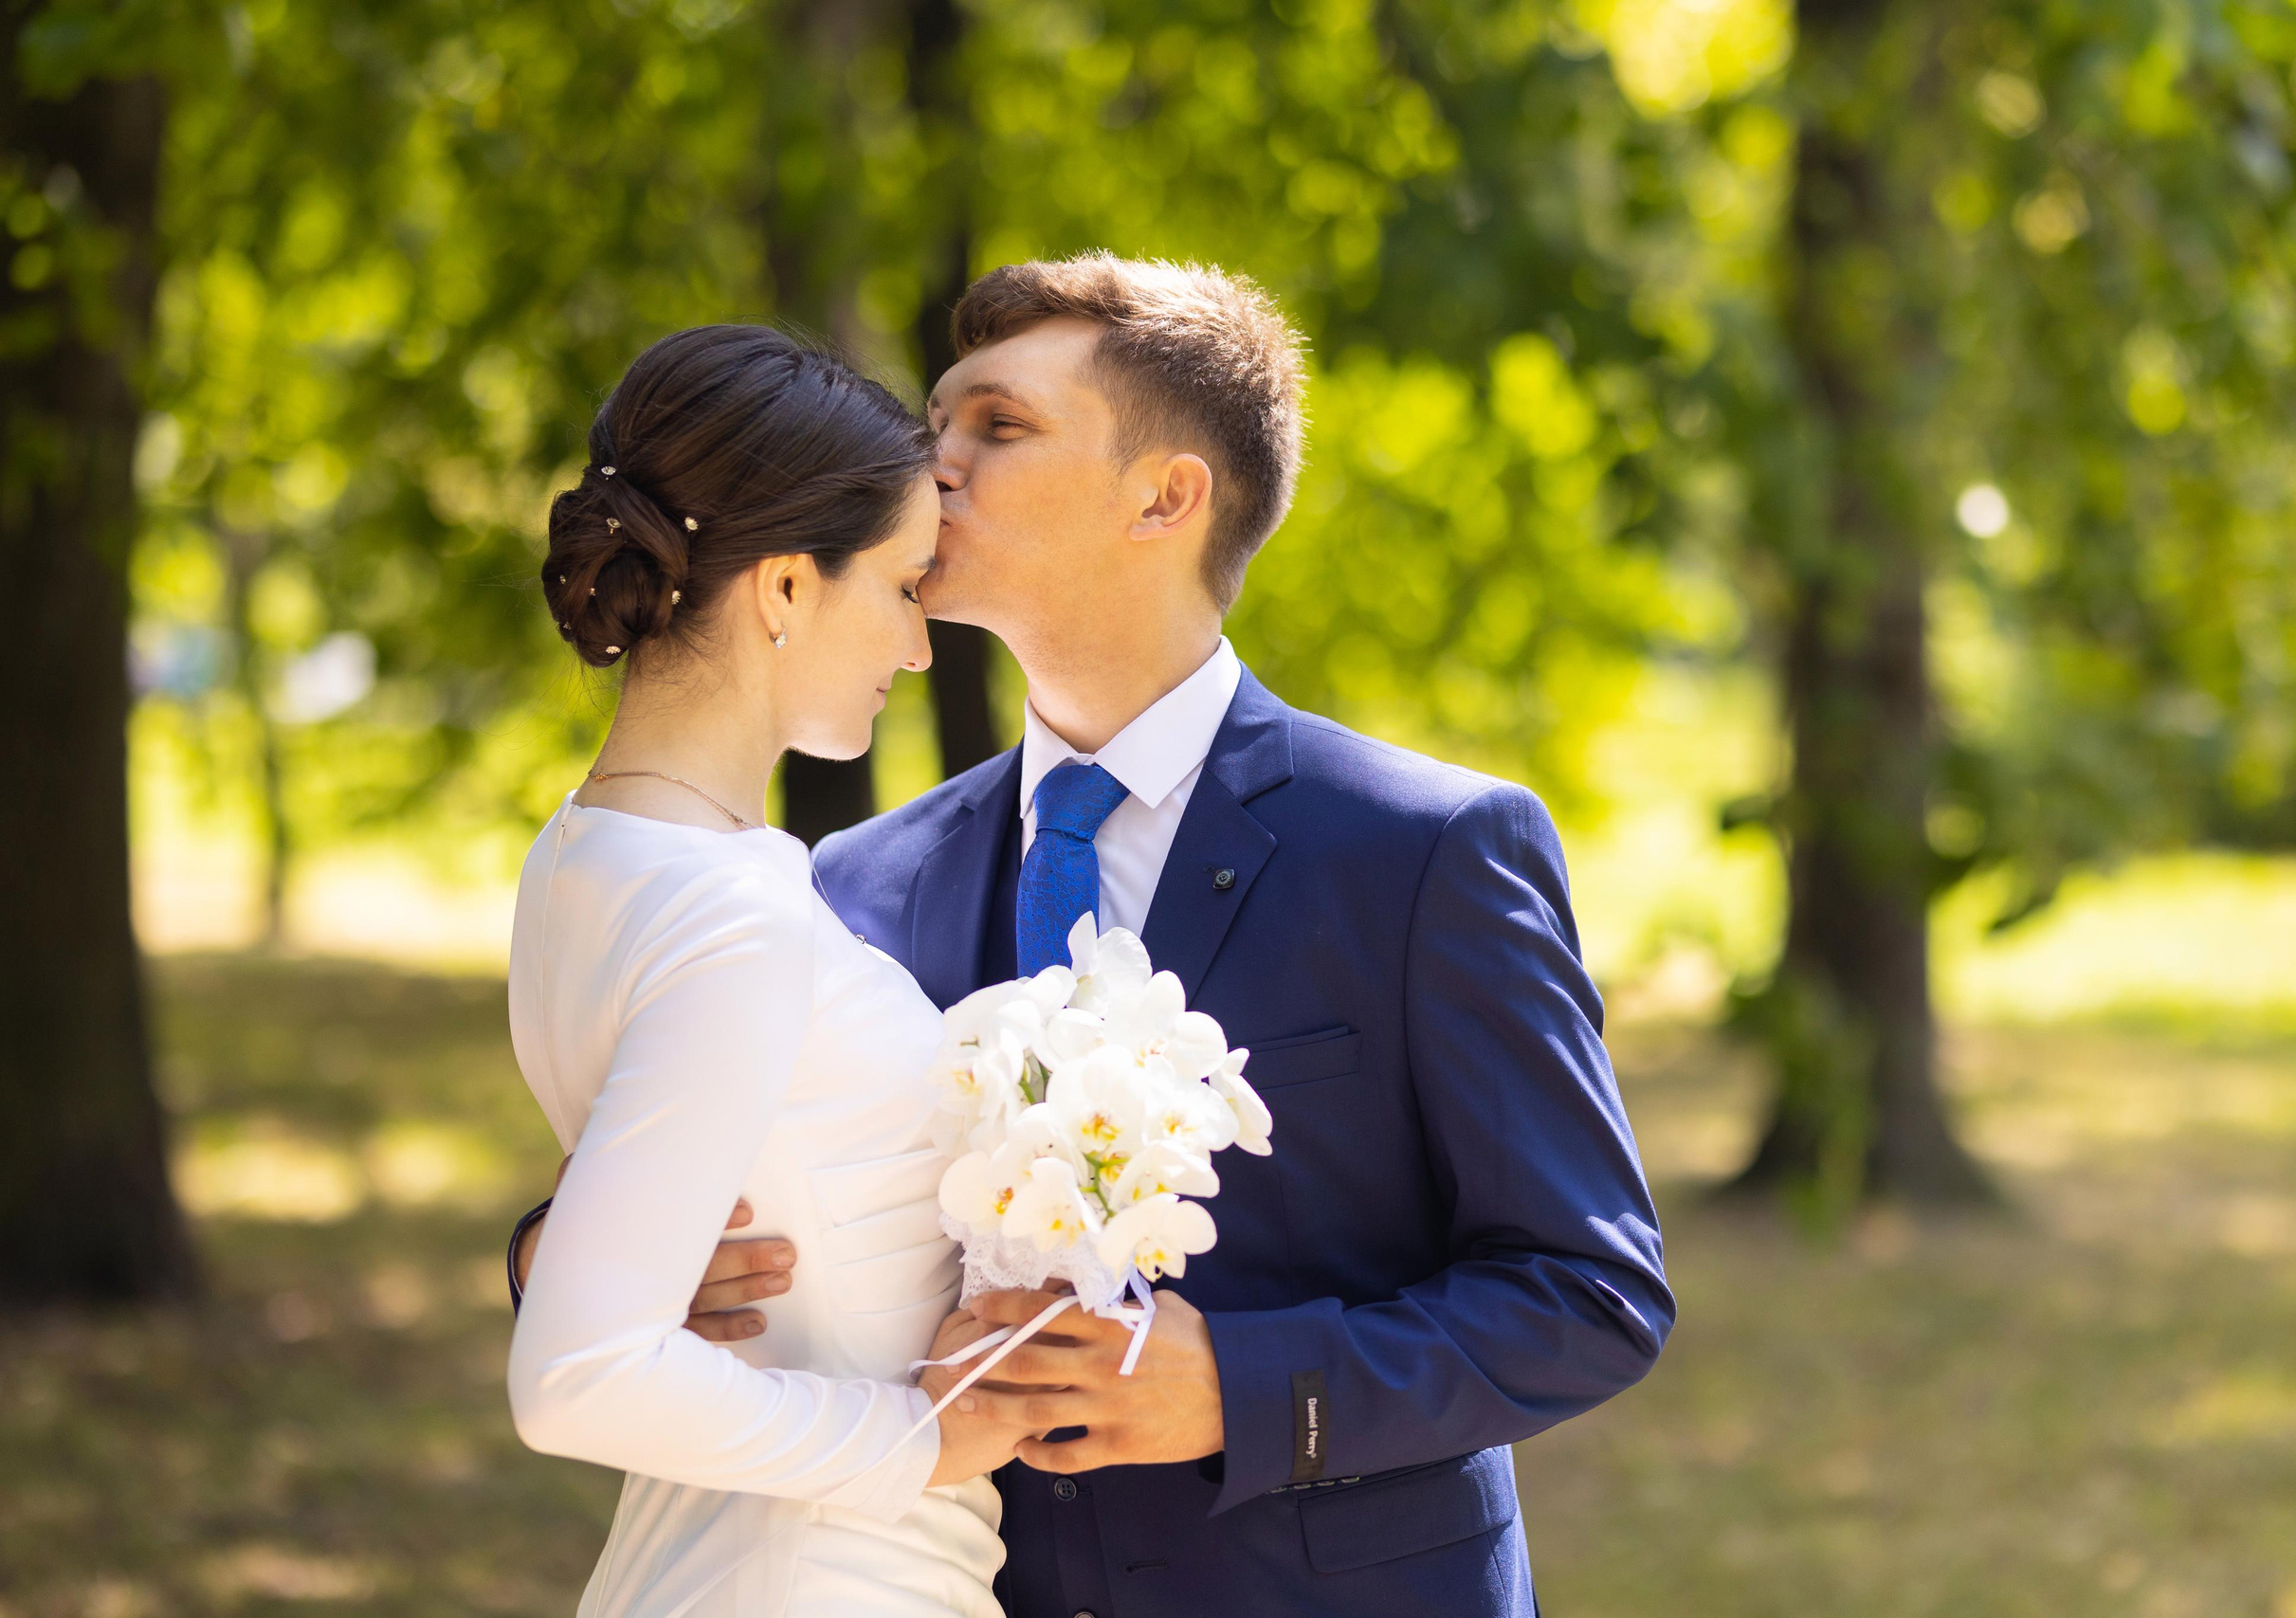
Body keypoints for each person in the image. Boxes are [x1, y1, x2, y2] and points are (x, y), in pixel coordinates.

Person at [518, 256, 1675, 1615]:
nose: (931, 465)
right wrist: (565, 1253)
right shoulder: (855, 880)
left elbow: (1589, 1294)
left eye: (996, 429)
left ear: (1166, 497)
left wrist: (1245, 1393)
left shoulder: (1425, 852)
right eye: (934, 423)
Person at [503, 323, 1042, 1618]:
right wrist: (919, 1440)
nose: (919, 650)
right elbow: (578, 1370)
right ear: (787, 589)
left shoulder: (582, 857)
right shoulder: (733, 911)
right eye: (904, 587)